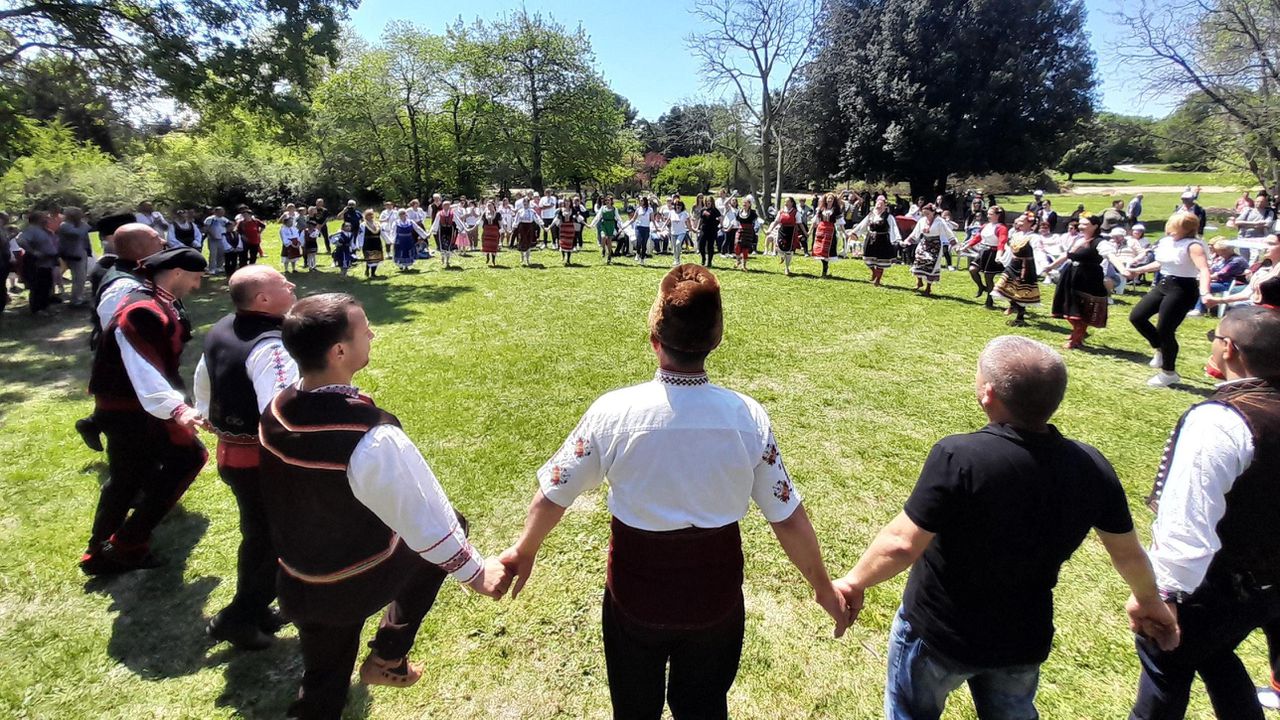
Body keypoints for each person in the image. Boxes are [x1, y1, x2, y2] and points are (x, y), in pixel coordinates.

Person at [500, 265, 849, 719]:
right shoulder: (747, 417)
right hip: (715, 599)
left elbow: (552, 495)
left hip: (634, 595)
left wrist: (525, 549)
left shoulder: (614, 412)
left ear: (654, 339)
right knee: (703, 709)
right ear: (716, 340)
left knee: (634, 710)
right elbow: (787, 515)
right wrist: (822, 587)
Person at [833, 335, 1178, 720]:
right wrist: (1150, 601)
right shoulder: (1091, 465)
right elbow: (1128, 553)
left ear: (988, 394)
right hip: (1022, 638)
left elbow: (901, 543)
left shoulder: (960, 455)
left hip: (941, 633)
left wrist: (852, 583)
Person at [259, 293, 512, 719]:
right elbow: (427, 517)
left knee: (323, 680)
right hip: (350, 578)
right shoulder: (371, 437)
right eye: (364, 329)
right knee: (451, 531)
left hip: (297, 575)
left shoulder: (276, 407)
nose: (373, 334)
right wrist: (475, 575)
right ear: (339, 351)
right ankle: (390, 654)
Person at [1131, 305, 1280, 720]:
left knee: (1166, 671)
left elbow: (1188, 519)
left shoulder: (1223, 421)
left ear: (1229, 348)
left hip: (1217, 585)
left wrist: (1162, 595)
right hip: (1267, 585)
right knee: (1214, 652)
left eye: (1214, 338)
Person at [81, 247, 209, 575]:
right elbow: (142, 365)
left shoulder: (156, 299)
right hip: (132, 408)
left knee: (127, 477)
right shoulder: (142, 309)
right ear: (177, 272)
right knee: (188, 457)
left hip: (128, 406)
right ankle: (126, 543)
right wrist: (177, 408)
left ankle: (101, 551)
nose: (196, 286)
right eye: (195, 278)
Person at [194, 266, 299, 650]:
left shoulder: (223, 327)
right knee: (273, 542)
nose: (291, 285)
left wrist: (206, 413)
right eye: (282, 284)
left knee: (260, 537)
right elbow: (279, 412)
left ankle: (256, 610)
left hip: (234, 455)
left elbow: (203, 375)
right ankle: (236, 618)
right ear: (263, 300)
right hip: (261, 462)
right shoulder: (272, 345)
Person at [1125, 212, 1212, 388]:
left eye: (1175, 228)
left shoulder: (1193, 246)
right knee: (1137, 317)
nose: (1170, 231)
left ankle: (1168, 373)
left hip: (1183, 289)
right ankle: (1159, 348)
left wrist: (1205, 293)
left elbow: (1203, 269)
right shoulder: (1167, 242)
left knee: (1165, 330)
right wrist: (1138, 270)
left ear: (1187, 229)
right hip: (1164, 284)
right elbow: (1161, 264)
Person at [1045, 214, 1109, 349]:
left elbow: (1109, 255)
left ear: (1095, 226)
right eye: (1080, 224)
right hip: (1072, 275)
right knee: (1068, 308)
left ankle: (1076, 339)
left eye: (1085, 224)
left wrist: (1123, 268)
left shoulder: (1099, 242)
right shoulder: (1079, 240)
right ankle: (1079, 332)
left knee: (1079, 311)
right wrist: (1051, 267)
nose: (1081, 226)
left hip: (1088, 278)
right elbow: (1067, 255)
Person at [1205, 234, 1280, 312]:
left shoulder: (1236, 260)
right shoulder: (1262, 268)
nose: (1265, 247)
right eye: (1264, 244)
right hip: (1256, 306)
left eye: (1271, 244)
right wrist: (1218, 300)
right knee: (1236, 308)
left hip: (1273, 310)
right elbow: (1247, 293)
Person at [993, 217, 1041, 326]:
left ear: (1029, 223)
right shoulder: (1016, 235)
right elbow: (1011, 250)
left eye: (1021, 221)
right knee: (1002, 285)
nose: (1018, 223)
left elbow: (1038, 252)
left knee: (1021, 291)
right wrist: (1003, 258)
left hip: (1026, 266)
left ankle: (1020, 316)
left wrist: (1042, 267)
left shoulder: (1033, 237)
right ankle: (1012, 304)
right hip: (1013, 264)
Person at [959, 206, 1008, 308]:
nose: (988, 216)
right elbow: (977, 238)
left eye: (991, 214)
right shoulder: (985, 226)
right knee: (972, 269)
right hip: (983, 251)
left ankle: (989, 301)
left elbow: (1001, 243)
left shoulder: (1001, 228)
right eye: (988, 214)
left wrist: (999, 255)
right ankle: (981, 287)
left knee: (988, 277)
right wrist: (966, 246)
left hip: (993, 253)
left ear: (998, 215)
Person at [905, 204, 956, 295]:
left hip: (935, 244)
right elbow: (915, 232)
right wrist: (908, 240)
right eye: (924, 214)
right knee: (919, 259)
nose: (926, 216)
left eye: (927, 214)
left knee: (931, 262)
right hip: (924, 242)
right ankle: (919, 281)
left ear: (933, 212)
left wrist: (954, 244)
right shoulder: (922, 220)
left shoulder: (940, 221)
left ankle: (928, 287)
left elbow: (948, 232)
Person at [851, 194, 901, 286]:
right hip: (871, 239)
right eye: (878, 204)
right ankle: (874, 271)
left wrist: (896, 239)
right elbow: (863, 224)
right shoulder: (871, 215)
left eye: (881, 204)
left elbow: (894, 228)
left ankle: (878, 279)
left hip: (883, 240)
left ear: (885, 206)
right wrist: (854, 233)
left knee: (881, 261)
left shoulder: (888, 216)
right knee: (867, 258)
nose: (879, 206)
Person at [1194, 240, 1250, 315]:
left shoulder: (1236, 261)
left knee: (1205, 287)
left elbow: (1220, 274)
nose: (1219, 253)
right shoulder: (1223, 258)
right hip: (1219, 281)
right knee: (1193, 284)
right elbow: (1213, 269)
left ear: (1228, 250)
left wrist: (1204, 278)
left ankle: (1199, 310)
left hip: (1228, 284)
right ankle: (1193, 306)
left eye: (1221, 251)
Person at [57, 206, 94, 307]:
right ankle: (75, 300)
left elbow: (90, 233)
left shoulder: (80, 225)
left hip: (81, 253)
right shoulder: (65, 225)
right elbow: (78, 234)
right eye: (79, 214)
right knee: (78, 278)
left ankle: (78, 297)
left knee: (81, 278)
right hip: (72, 254)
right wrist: (84, 224)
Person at [767, 197, 800, 275]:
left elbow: (799, 223)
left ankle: (787, 268)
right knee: (778, 247)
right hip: (782, 230)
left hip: (791, 232)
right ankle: (782, 256)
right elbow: (776, 221)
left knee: (789, 251)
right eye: (785, 201)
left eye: (788, 201)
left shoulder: (795, 212)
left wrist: (805, 232)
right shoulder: (781, 211)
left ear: (792, 203)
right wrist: (770, 229)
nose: (786, 203)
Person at [203, 207, 232, 276]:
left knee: (221, 253)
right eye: (220, 211)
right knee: (213, 254)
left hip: (222, 238)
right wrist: (212, 234)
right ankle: (212, 269)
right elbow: (206, 228)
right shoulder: (210, 219)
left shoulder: (224, 219)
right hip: (213, 239)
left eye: (223, 211)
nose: (222, 213)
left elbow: (230, 225)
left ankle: (219, 267)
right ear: (216, 212)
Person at [592, 195, 620, 265]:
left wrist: (622, 226)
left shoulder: (614, 209)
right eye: (606, 200)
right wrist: (592, 224)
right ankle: (603, 249)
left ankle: (609, 255)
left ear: (611, 201)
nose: (607, 201)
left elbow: (619, 218)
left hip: (611, 225)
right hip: (604, 224)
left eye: (609, 200)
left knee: (609, 241)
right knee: (603, 237)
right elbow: (597, 217)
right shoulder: (602, 208)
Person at [695, 195, 721, 268]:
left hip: (712, 229)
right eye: (707, 201)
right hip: (704, 229)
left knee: (710, 246)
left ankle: (709, 262)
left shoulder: (715, 210)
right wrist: (697, 227)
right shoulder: (703, 210)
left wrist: (720, 225)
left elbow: (720, 218)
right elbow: (700, 219)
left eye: (709, 201)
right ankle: (703, 259)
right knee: (701, 245)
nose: (708, 202)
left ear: (712, 202)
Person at [733, 198, 759, 271]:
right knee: (737, 245)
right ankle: (738, 260)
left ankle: (743, 265)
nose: (744, 204)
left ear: (749, 204)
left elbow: (756, 222)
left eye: (746, 202)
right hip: (740, 230)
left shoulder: (753, 213)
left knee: (745, 248)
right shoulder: (739, 212)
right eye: (743, 202)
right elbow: (737, 221)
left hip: (749, 231)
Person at [359, 209, 384, 279]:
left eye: (371, 215)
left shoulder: (377, 224)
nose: (370, 216)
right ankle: (367, 269)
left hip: (377, 242)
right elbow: (360, 235)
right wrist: (360, 245)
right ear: (365, 216)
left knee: (376, 258)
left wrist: (389, 240)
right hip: (368, 243)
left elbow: (383, 233)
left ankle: (373, 273)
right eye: (368, 215)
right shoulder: (363, 225)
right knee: (369, 258)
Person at [480, 200, 502, 267]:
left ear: (493, 206)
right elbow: (482, 222)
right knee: (486, 244)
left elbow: (500, 222)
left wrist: (500, 229)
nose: (489, 207)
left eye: (490, 205)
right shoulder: (484, 213)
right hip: (487, 231)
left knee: (494, 245)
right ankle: (487, 258)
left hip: (494, 231)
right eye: (488, 205)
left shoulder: (497, 214)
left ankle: (493, 260)